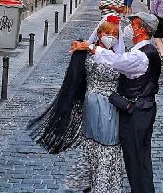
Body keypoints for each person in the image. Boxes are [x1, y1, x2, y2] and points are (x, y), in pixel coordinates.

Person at [30, 15, 125, 192]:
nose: (111, 36)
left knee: (107, 144)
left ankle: (103, 185)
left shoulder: (118, 56)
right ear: (99, 33)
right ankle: (97, 184)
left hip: (110, 105)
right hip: (94, 103)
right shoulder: (87, 52)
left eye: (115, 34)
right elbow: (74, 80)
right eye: (107, 32)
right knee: (97, 144)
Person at [75, 12, 162, 192]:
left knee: (137, 161)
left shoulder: (142, 56)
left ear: (142, 30)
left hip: (137, 113)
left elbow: (117, 61)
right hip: (132, 110)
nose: (130, 29)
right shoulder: (140, 51)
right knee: (134, 158)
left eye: (134, 25)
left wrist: (91, 48)